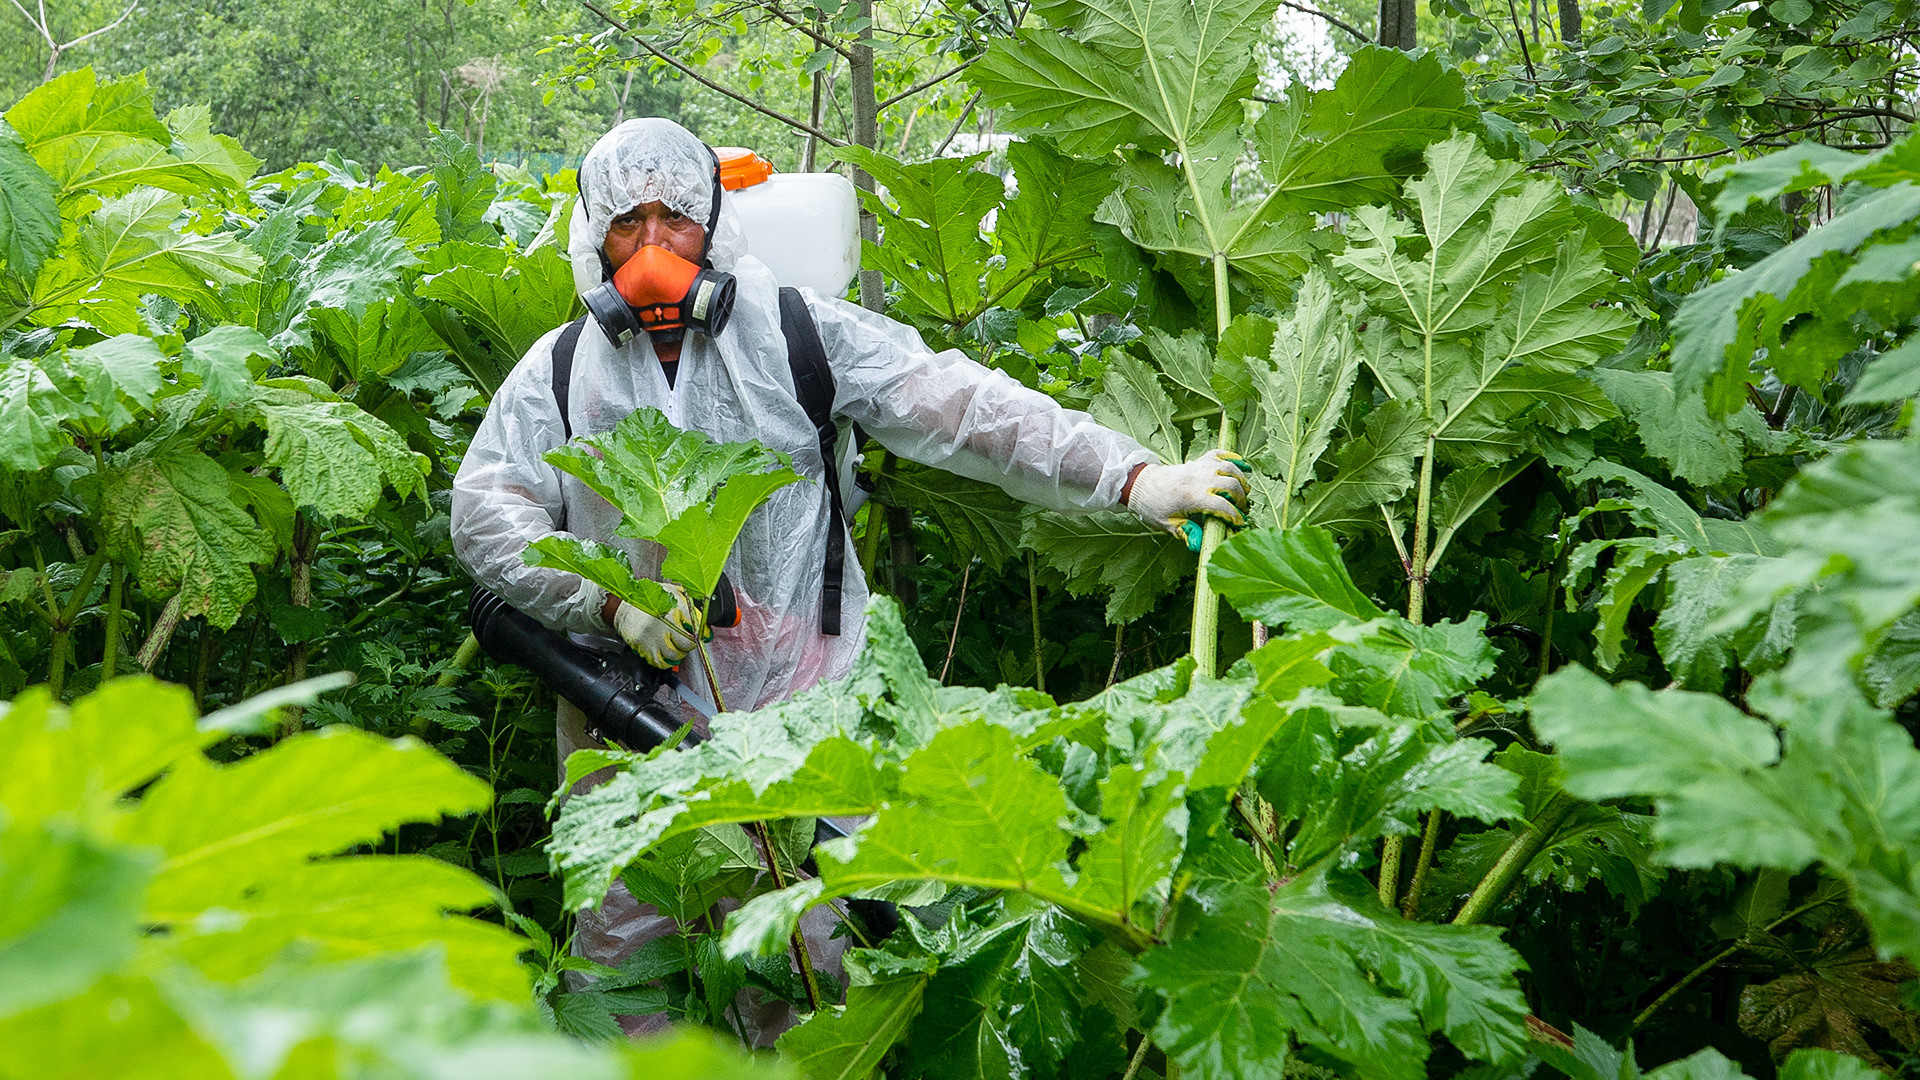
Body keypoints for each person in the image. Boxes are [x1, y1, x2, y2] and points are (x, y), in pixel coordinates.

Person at [448, 117, 1249, 1038]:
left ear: (716, 224)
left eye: (677, 219)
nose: (656, 248)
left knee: (809, 968)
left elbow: (964, 406)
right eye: (629, 223)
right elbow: (485, 511)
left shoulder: (796, 332)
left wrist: (1140, 478)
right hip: (628, 721)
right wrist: (605, 602)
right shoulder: (557, 373)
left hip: (804, 714)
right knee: (629, 973)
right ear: (594, 237)